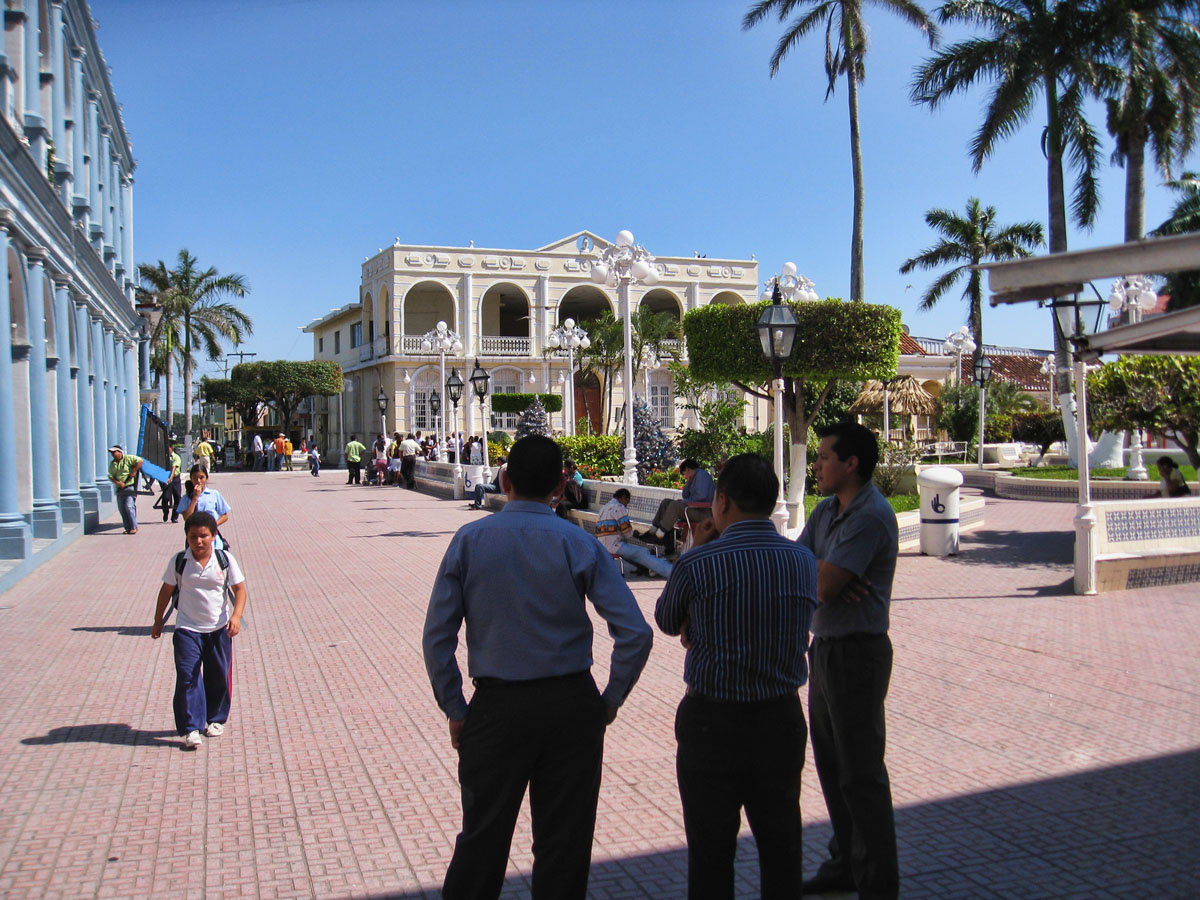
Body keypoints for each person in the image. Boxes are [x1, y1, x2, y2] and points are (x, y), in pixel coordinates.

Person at [423, 434, 653, 900]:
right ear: (561, 486)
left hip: (497, 707)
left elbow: (437, 637)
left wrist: (456, 707)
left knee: (482, 840)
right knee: (564, 846)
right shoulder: (578, 542)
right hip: (571, 706)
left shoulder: (470, 540)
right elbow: (635, 632)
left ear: (505, 479)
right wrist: (609, 700)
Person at [655, 454, 817, 898]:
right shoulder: (803, 561)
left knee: (711, 851)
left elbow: (667, 620)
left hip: (713, 722)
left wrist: (697, 553)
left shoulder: (699, 563)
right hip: (780, 719)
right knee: (781, 844)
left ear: (722, 502)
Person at [798, 422, 900, 900]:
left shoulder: (872, 516)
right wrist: (826, 569)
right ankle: (846, 863)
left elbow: (820, 586)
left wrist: (826, 572)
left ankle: (877, 883)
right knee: (832, 767)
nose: (816, 466)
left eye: (824, 457)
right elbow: (798, 565)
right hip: (824, 648)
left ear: (851, 463)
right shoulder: (825, 511)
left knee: (861, 774)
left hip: (858, 653)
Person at [151, 511, 248, 751]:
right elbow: (166, 591)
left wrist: (236, 616)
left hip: (218, 629)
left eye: (203, 536)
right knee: (188, 676)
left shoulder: (224, 559)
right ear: (187, 537)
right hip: (187, 629)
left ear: (214, 536)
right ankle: (191, 727)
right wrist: (158, 621)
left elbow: (240, 589)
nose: (198, 541)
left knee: (218, 675)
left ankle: (215, 719)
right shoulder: (179, 561)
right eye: (193, 536)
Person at [638, 459, 715, 554]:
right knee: (666, 502)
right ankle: (654, 529)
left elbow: (701, 496)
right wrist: (689, 482)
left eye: (684, 474)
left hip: (703, 512)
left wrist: (684, 502)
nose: (684, 476)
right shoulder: (693, 478)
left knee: (675, 506)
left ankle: (660, 534)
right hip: (694, 509)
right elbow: (685, 495)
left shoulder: (701, 475)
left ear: (688, 469)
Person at [595, 488, 673, 578]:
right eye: (627, 502)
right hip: (613, 546)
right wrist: (634, 533)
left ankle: (643, 567)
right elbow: (627, 533)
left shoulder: (604, 508)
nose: (626, 505)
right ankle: (671, 572)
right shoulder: (619, 507)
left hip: (601, 545)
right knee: (642, 552)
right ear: (623, 497)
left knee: (630, 552)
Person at [179, 465, 233, 550]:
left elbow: (225, 516)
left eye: (201, 477)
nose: (198, 481)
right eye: (195, 478)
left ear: (206, 478)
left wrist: (213, 525)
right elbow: (187, 518)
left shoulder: (214, 494)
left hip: (211, 537)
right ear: (191, 479)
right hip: (195, 538)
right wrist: (195, 497)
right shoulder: (186, 498)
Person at [107, 444, 143, 534]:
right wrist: (117, 483)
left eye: (114, 452)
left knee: (129, 506)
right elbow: (110, 476)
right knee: (122, 509)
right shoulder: (113, 464)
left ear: (120, 452)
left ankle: (134, 527)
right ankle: (128, 528)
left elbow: (140, 461)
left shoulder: (128, 458)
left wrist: (134, 471)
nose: (113, 454)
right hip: (120, 488)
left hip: (129, 487)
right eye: (112, 453)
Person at [162, 442, 183, 524]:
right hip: (166, 479)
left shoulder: (176, 457)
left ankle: (174, 517)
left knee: (177, 497)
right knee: (165, 497)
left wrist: (170, 478)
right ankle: (165, 512)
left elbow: (173, 468)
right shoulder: (164, 458)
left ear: (171, 448)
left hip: (175, 479)